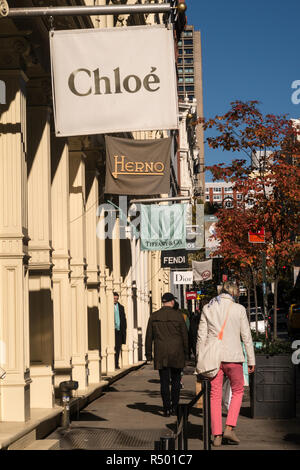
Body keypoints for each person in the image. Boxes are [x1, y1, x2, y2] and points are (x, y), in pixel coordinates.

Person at [196, 281, 255, 447]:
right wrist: (251, 360)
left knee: (215, 395)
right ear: (234, 293)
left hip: (214, 359)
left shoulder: (208, 308)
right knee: (238, 390)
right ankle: (229, 427)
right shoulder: (239, 309)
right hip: (233, 357)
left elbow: (201, 336)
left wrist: (200, 358)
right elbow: (246, 337)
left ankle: (216, 435)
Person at [145, 292, 189, 417]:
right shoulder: (179, 316)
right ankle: (174, 406)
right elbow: (184, 336)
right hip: (176, 352)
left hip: (161, 353)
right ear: (172, 302)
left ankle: (166, 408)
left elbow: (149, 337)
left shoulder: (154, 316)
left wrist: (148, 354)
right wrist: (187, 353)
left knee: (164, 382)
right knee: (176, 381)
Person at [113, 292, 127, 370]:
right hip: (112, 331)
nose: (115, 300)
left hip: (119, 331)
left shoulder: (121, 307)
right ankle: (113, 363)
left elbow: (124, 320)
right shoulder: (108, 306)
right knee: (113, 347)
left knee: (118, 348)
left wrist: (124, 331)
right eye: (114, 298)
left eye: (117, 299)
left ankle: (116, 363)